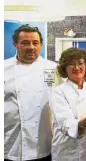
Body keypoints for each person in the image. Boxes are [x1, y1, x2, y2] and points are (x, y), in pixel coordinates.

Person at [4, 24, 62, 161]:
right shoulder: (3, 68)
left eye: (35, 43)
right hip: (10, 143)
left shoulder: (54, 69)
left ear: (41, 45)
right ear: (15, 45)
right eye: (25, 43)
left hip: (43, 145)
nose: (31, 47)